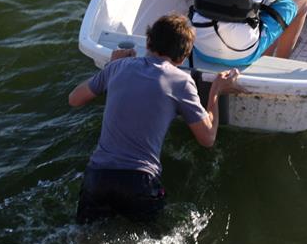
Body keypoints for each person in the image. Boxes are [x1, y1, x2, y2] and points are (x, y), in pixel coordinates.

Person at [68, 13, 241, 224]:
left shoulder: (117, 67)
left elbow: (74, 99)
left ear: (148, 41)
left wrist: (110, 68)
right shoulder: (181, 81)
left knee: (84, 243)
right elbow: (207, 139)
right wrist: (216, 91)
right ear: (182, 58)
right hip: (139, 181)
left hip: (98, 177)